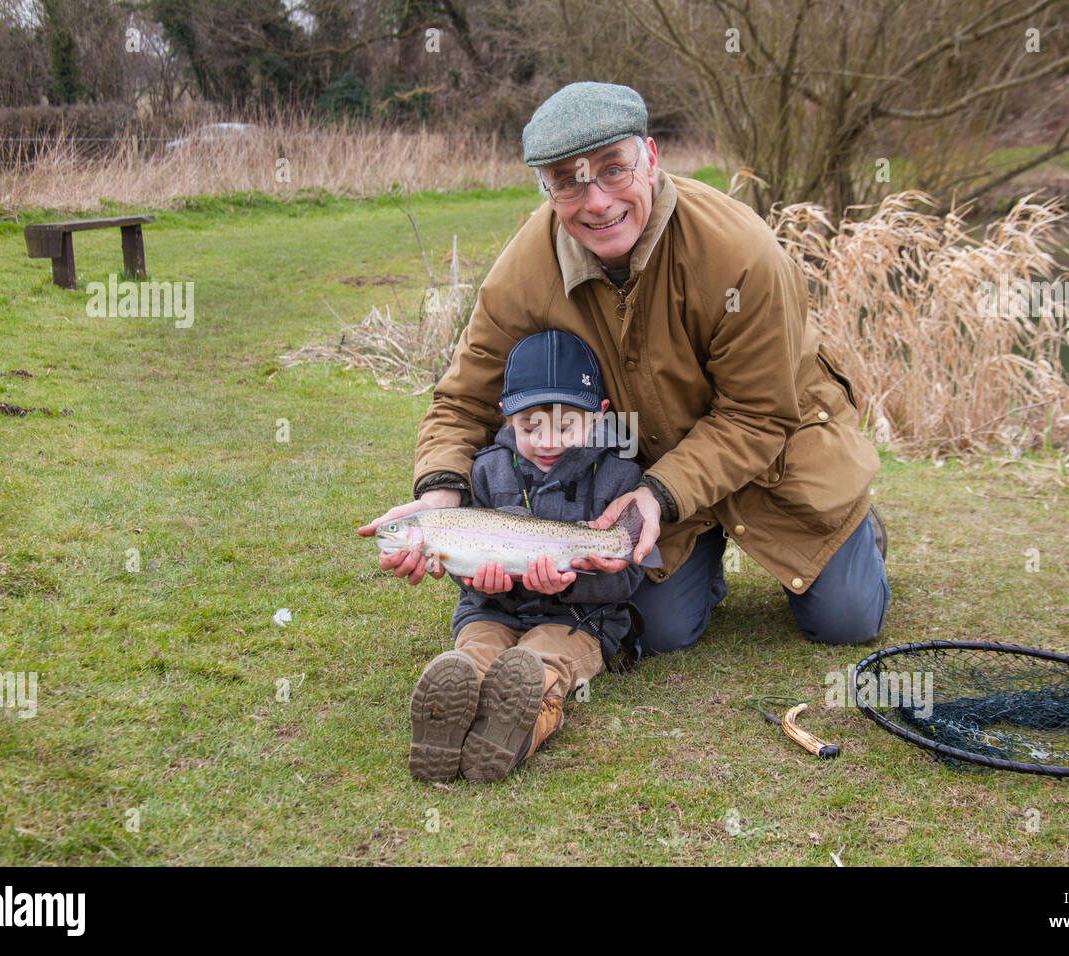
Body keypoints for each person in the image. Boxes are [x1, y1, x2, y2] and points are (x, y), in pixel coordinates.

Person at [360, 80, 889, 663]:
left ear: (651, 157)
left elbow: (757, 415)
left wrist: (659, 493)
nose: (597, 202)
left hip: (777, 451)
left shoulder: (743, 253)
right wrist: (441, 490)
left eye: (614, 169)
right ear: (547, 188)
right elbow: (463, 404)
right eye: (567, 181)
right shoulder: (521, 274)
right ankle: (700, 552)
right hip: (651, 474)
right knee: (658, 631)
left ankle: (859, 535)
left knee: (847, 620)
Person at [407, 330, 647, 783]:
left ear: (599, 416)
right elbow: (465, 553)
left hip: (577, 618)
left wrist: (573, 580)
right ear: (506, 417)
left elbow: (627, 580)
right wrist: (477, 581)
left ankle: (520, 728)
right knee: (475, 652)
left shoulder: (621, 476)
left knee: (541, 664)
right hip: (492, 610)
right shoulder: (485, 468)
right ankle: (447, 714)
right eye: (530, 426)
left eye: (565, 425)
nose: (547, 440)